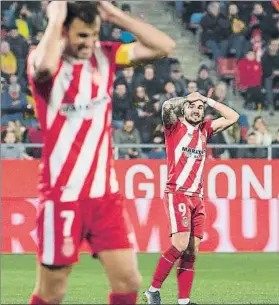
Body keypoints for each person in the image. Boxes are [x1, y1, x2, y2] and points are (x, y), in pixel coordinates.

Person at [26, 1, 175, 305]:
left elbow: (165, 46)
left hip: (104, 196)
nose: (89, 43)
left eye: (94, 34)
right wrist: (56, 18)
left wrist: (115, 16)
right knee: (52, 291)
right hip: (62, 196)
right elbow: (43, 66)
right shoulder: (44, 64)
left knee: (128, 280)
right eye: (82, 36)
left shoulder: (105, 55)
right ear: (65, 31)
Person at [144, 91, 239, 305]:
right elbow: (167, 106)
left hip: (198, 197)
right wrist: (189, 98)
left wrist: (207, 100)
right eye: (192, 107)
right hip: (177, 192)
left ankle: (184, 301)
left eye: (200, 108)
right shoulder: (174, 127)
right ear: (185, 108)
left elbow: (234, 117)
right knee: (179, 244)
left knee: (192, 250)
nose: (196, 110)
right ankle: (153, 290)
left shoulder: (206, 130)